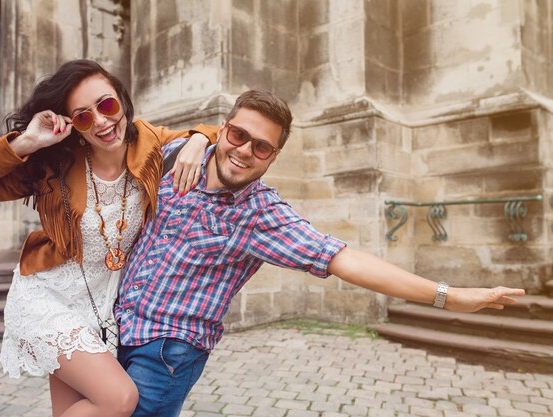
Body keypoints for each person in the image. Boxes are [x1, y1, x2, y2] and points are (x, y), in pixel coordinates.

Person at [115, 89, 526, 417]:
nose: (243, 151)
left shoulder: (261, 214)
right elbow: (111, 130)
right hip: (112, 325)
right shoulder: (172, 159)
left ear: (274, 157)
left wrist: (448, 296)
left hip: (167, 352)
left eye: (261, 147)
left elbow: (344, 259)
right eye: (238, 136)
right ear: (222, 130)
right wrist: (195, 137)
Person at [0, 59, 218, 417]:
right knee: (118, 399)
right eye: (85, 116)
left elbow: (224, 132)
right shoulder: (52, 162)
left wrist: (198, 139)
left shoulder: (150, 142)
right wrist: (27, 141)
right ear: (74, 124)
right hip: (47, 297)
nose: (102, 121)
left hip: (100, 305)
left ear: (121, 98)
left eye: (107, 105)